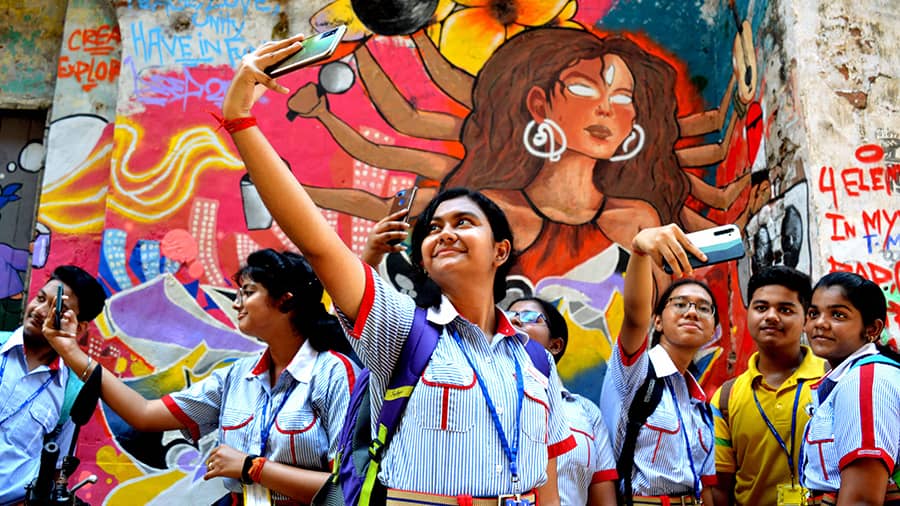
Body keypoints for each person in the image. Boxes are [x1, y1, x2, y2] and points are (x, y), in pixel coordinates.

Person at [219, 36, 575, 504]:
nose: (444, 233)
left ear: (500, 251)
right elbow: (318, 242)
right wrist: (240, 118)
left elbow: (546, 483)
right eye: (432, 229)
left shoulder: (535, 360)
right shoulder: (403, 328)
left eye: (463, 223)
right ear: (423, 257)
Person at [43, 249, 358, 504]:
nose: (236, 303)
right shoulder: (237, 377)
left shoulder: (334, 374)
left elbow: (345, 489)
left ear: (285, 300)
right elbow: (144, 414)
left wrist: (252, 467)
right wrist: (71, 352)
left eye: (247, 293)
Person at [599, 224, 718, 505]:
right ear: (658, 321)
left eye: (703, 308)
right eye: (680, 304)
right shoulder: (637, 373)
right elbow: (635, 314)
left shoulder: (700, 403)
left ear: (713, 328)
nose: (692, 311)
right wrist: (640, 251)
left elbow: (708, 486)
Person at [710, 266, 826, 506]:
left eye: (785, 309)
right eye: (761, 308)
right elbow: (720, 487)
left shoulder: (833, 381)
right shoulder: (725, 398)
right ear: (749, 313)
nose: (771, 316)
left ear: (806, 318)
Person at [0, 265, 106, 504]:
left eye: (56, 308)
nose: (39, 310)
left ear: (77, 328)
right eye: (39, 298)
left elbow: (57, 470)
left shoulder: (71, 392)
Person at [800, 272, 900, 505]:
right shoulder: (846, 378)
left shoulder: (866, 381)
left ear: (872, 329)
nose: (820, 323)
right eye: (814, 313)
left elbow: (862, 499)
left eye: (838, 315)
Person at [507, 297, 617, 506]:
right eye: (510, 316)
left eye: (530, 317)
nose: (516, 322)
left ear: (555, 345)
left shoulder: (586, 412)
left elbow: (603, 498)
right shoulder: (491, 399)